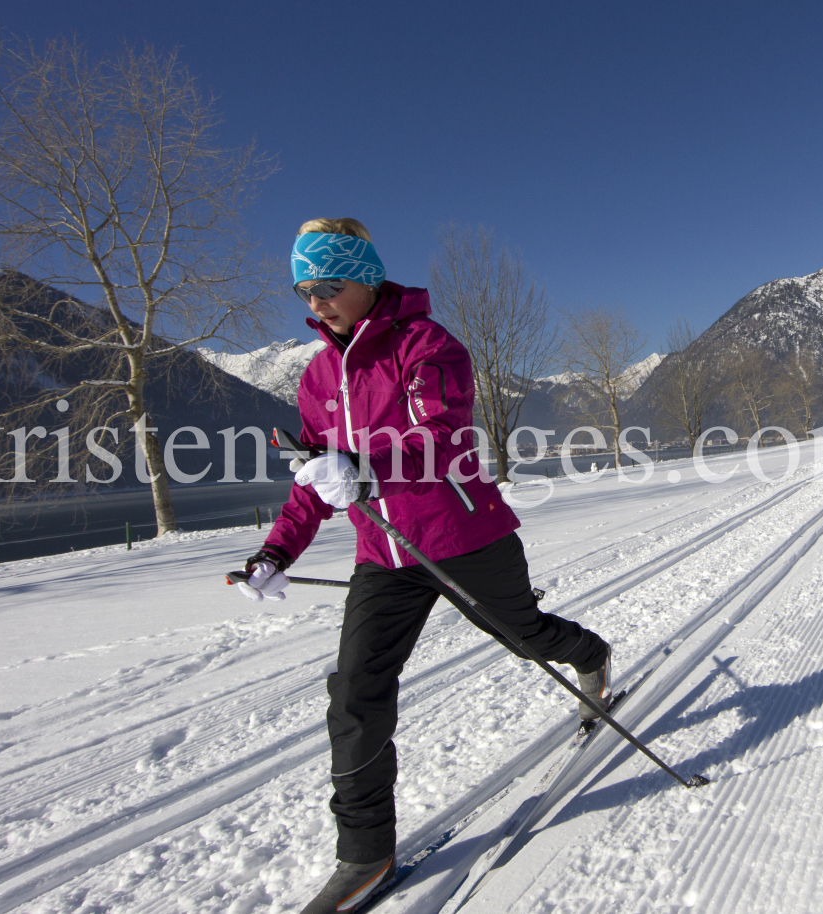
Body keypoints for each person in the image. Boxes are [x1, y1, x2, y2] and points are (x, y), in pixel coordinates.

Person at [238, 218, 611, 914]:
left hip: (463, 534)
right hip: (384, 553)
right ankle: (364, 856)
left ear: (368, 278)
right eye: (303, 289)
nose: (315, 301)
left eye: (328, 285)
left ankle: (591, 654)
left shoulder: (427, 344)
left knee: (524, 635)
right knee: (355, 692)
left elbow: (440, 438)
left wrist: (364, 469)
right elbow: (318, 478)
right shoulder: (318, 374)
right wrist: (275, 551)